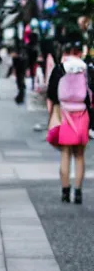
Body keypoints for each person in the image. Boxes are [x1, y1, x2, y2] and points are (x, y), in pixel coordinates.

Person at [47, 42, 91, 204]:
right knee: (79, 155)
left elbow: (51, 94)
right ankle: (78, 192)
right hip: (82, 114)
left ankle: (65, 192)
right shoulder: (86, 70)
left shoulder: (59, 69)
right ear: (79, 52)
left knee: (65, 154)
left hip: (64, 113)